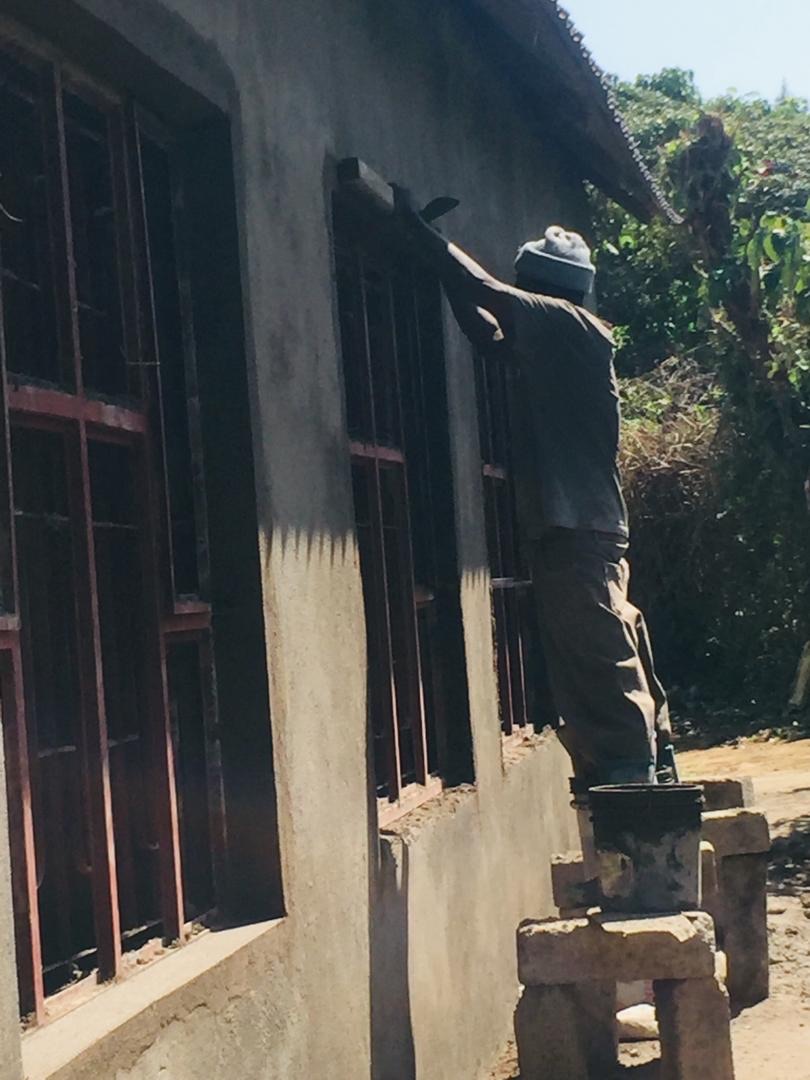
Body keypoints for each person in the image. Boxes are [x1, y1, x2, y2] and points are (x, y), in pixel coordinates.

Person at [394, 191, 674, 788]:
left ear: (546, 292)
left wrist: (427, 238)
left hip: (577, 527)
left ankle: (640, 794)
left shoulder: (570, 324)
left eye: (527, 287)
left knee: (601, 658)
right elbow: (485, 334)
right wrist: (439, 265)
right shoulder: (557, 343)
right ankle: (644, 772)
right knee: (595, 650)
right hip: (576, 526)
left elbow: (489, 296)